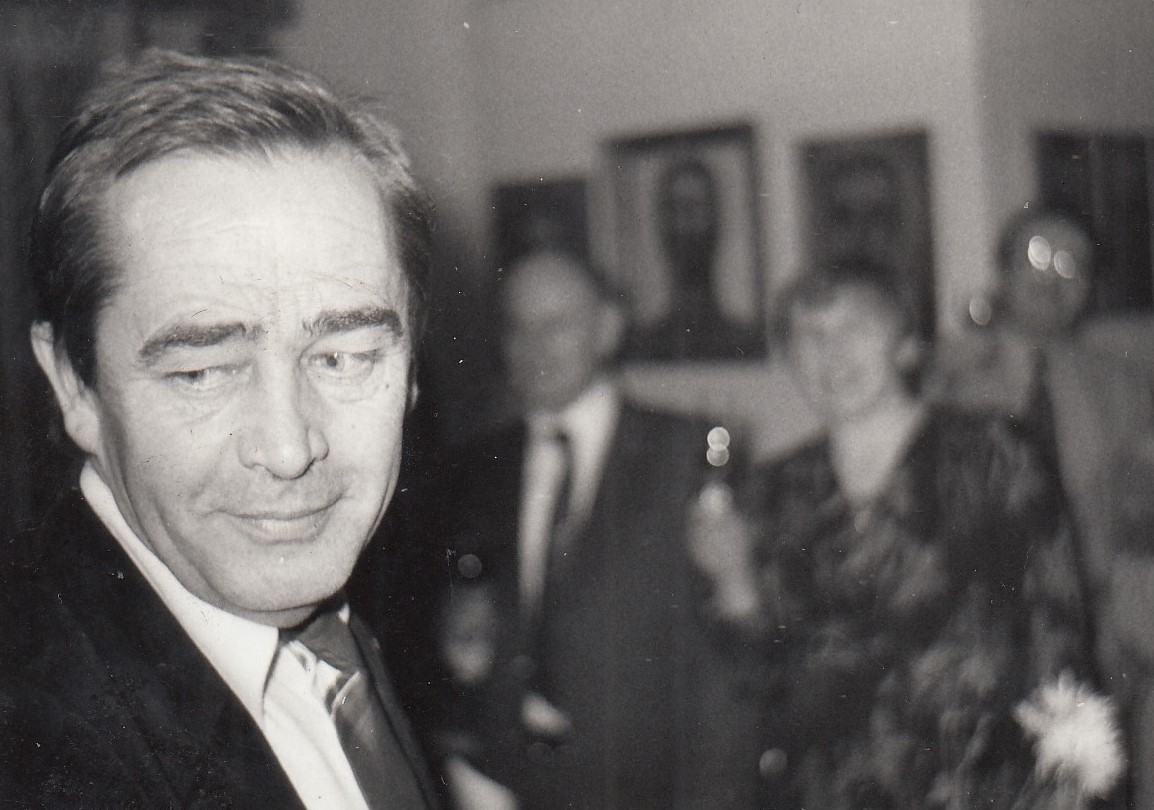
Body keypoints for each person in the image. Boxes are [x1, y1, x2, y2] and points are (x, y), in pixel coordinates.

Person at [0, 51, 440, 808]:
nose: (289, 450)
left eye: (343, 358)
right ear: (74, 384)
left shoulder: (331, 632)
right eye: (202, 372)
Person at [692, 259, 1116, 809]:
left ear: (907, 346)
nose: (832, 351)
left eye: (856, 327)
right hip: (828, 791)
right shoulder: (772, 491)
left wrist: (1069, 784)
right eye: (809, 336)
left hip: (979, 784)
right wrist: (733, 583)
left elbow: (1058, 628)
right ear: (789, 360)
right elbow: (763, 682)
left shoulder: (993, 453)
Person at [432, 249, 720, 809]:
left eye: (556, 324)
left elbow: (721, 653)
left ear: (607, 329)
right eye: (517, 327)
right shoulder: (478, 465)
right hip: (502, 778)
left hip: (643, 787)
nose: (532, 346)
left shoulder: (685, 453)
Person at [935, 210, 1154, 806]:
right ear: (1001, 273)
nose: (1054, 279)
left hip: (1097, 632)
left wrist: (1129, 631)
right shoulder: (945, 384)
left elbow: (1141, 523)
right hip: (980, 638)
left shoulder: (1125, 388)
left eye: (1073, 266)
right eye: (1037, 259)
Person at [626, 156, 763, 361]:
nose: (687, 221)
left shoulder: (746, 342)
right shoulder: (643, 346)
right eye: (676, 207)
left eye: (696, 206)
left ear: (717, 221)